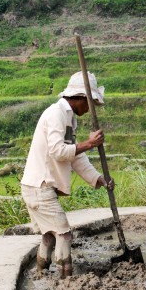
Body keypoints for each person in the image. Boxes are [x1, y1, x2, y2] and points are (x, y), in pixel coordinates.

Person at [21, 71, 114, 279]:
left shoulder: (69, 117)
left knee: (49, 236)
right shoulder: (56, 114)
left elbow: (75, 156)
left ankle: (41, 275)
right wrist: (90, 143)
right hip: (39, 187)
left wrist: (98, 178)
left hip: (36, 187)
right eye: (89, 103)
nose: (89, 108)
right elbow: (58, 151)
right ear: (81, 98)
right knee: (64, 234)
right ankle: (66, 279)